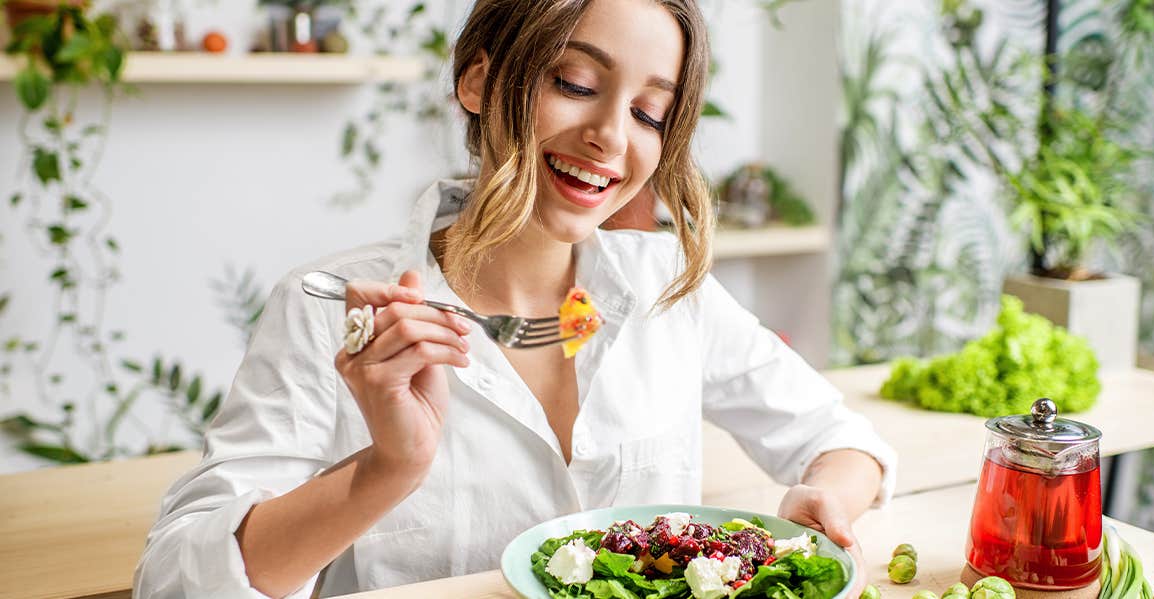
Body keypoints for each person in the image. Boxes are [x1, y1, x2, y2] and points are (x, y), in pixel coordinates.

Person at [133, 0, 897, 597]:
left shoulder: (669, 288)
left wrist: (822, 501)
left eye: (648, 113)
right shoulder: (331, 307)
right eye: (575, 84)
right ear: (479, 79)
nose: (609, 137)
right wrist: (387, 469)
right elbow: (175, 582)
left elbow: (843, 441)